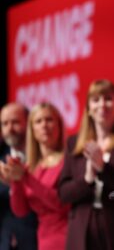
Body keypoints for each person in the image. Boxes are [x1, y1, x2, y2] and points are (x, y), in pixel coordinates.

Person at [58, 79, 114, 250]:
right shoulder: (73, 143)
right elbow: (63, 194)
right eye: (95, 99)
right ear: (88, 109)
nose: (102, 105)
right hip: (80, 234)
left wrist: (103, 168)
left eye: (108, 98)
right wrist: (87, 179)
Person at [0, 102, 69, 250]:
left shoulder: (68, 160)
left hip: (66, 237)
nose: (44, 125)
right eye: (38, 121)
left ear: (59, 124)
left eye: (49, 120)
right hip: (43, 240)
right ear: (32, 129)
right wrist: (16, 181)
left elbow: (62, 204)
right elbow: (20, 210)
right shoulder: (31, 167)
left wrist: (25, 177)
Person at [0, 103, 37, 250]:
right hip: (6, 243)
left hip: (38, 241)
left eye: (15, 122)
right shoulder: (1, 162)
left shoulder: (42, 159)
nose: (10, 128)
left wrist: (17, 186)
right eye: (5, 123)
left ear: (29, 123)